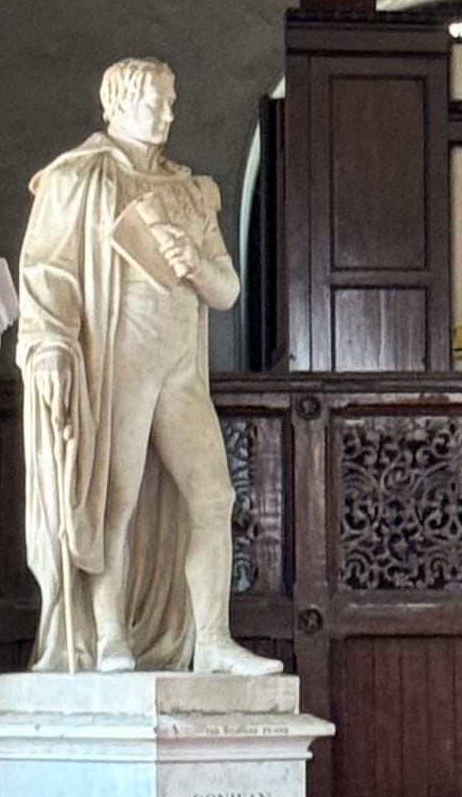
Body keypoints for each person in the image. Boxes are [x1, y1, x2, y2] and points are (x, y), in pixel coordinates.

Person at [16, 56, 277, 675]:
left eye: (171, 100)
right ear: (119, 104)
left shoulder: (187, 190)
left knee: (213, 496)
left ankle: (212, 640)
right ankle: (110, 635)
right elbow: (48, 270)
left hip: (180, 369)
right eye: (156, 100)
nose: (168, 112)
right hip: (121, 359)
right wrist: (49, 343)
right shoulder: (80, 179)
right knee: (116, 500)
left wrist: (193, 262)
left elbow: (227, 291)